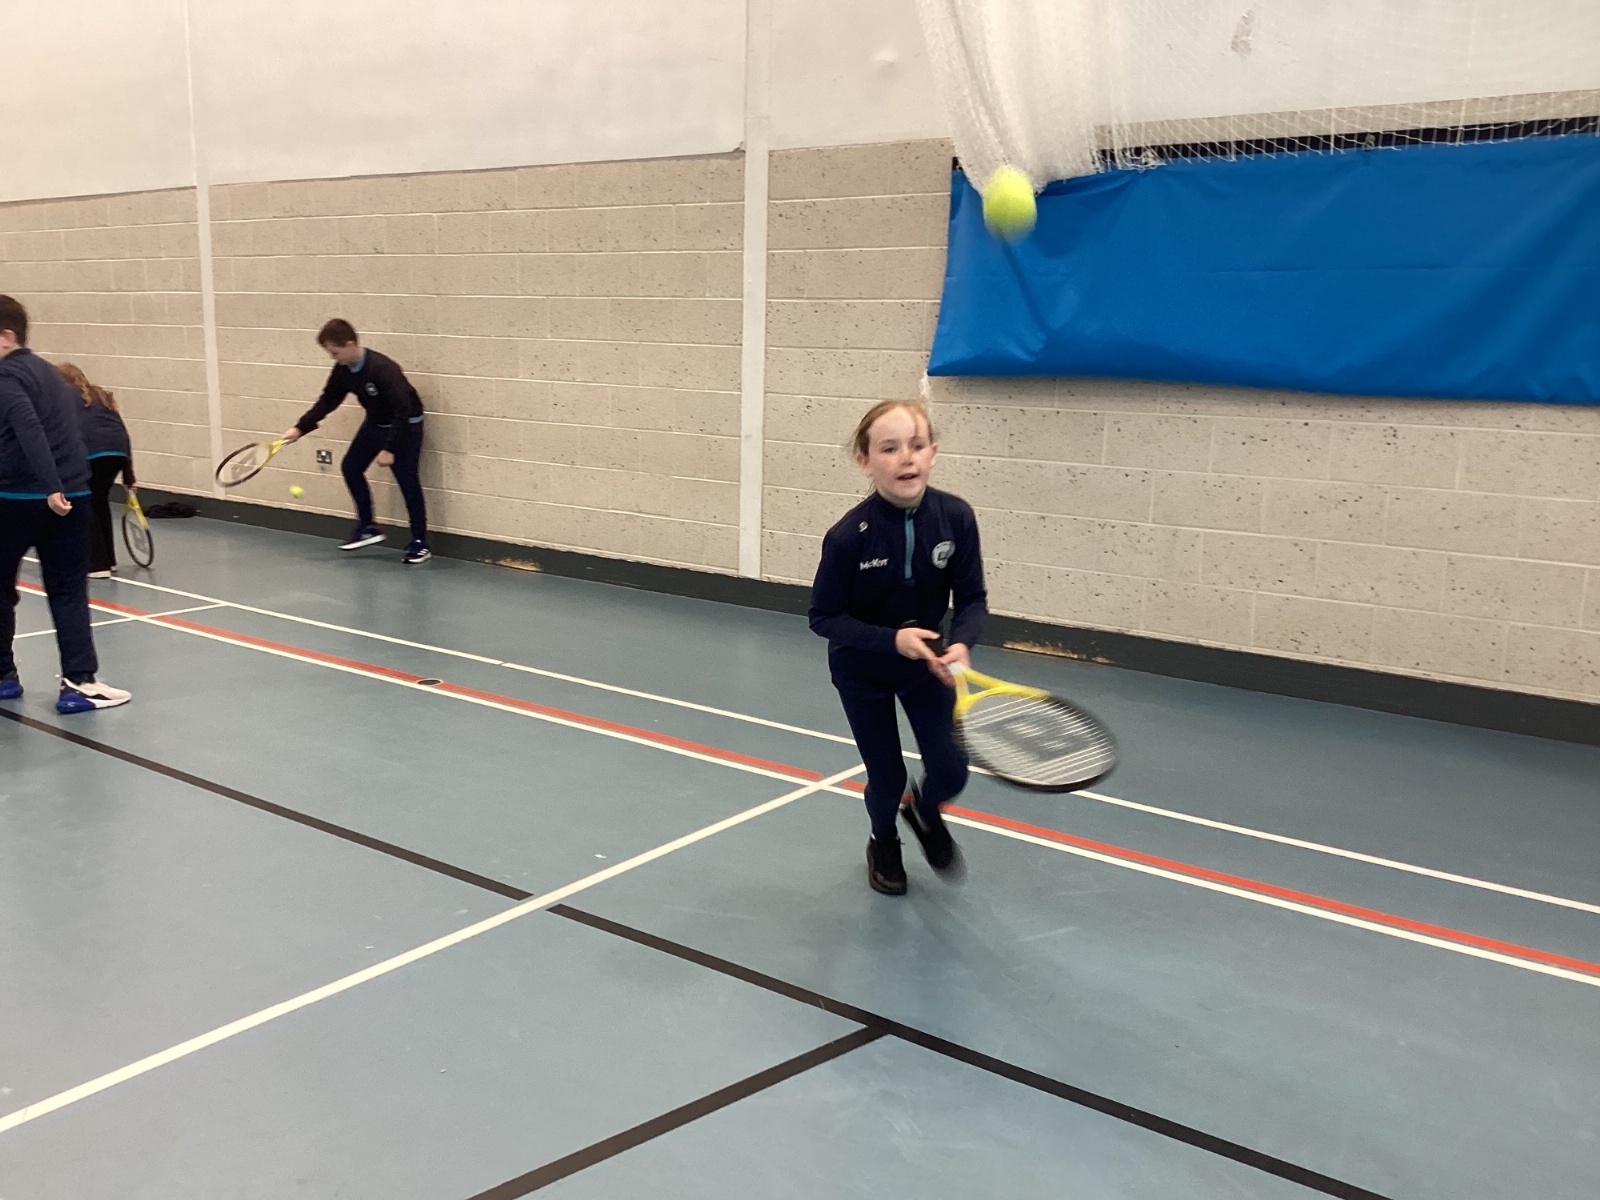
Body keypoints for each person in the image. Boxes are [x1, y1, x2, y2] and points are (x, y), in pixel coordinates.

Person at [808, 399, 988, 895]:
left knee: (951, 770)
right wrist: (892, 640)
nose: (906, 457)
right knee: (886, 778)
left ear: (933, 453)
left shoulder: (956, 517)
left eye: (917, 445)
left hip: (926, 669)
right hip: (862, 672)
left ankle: (924, 812)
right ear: (865, 461)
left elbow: (972, 598)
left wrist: (961, 643)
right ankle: (883, 838)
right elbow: (823, 617)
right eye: (889, 448)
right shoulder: (848, 537)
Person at [0, 295, 132, 712]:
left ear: (6, 336)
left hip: (20, 498)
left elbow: (28, 426)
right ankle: (79, 682)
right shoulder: (51, 375)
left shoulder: (6, 376)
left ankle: (3, 676)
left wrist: (50, 483)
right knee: (69, 592)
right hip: (72, 497)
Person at [281, 319, 430, 564]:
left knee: (407, 481)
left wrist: (389, 448)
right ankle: (368, 526)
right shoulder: (343, 370)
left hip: (405, 426)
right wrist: (301, 427)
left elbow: (403, 409)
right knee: (351, 467)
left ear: (350, 344)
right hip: (375, 423)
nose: (334, 358)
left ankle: (420, 542)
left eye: (335, 352)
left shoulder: (382, 369)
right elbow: (328, 400)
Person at [58, 363, 135, 578]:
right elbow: (123, 433)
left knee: (86, 503)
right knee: (99, 500)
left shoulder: (63, 396)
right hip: (117, 454)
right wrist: (129, 475)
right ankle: (109, 560)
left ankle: (96, 565)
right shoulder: (102, 395)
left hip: (90, 453)